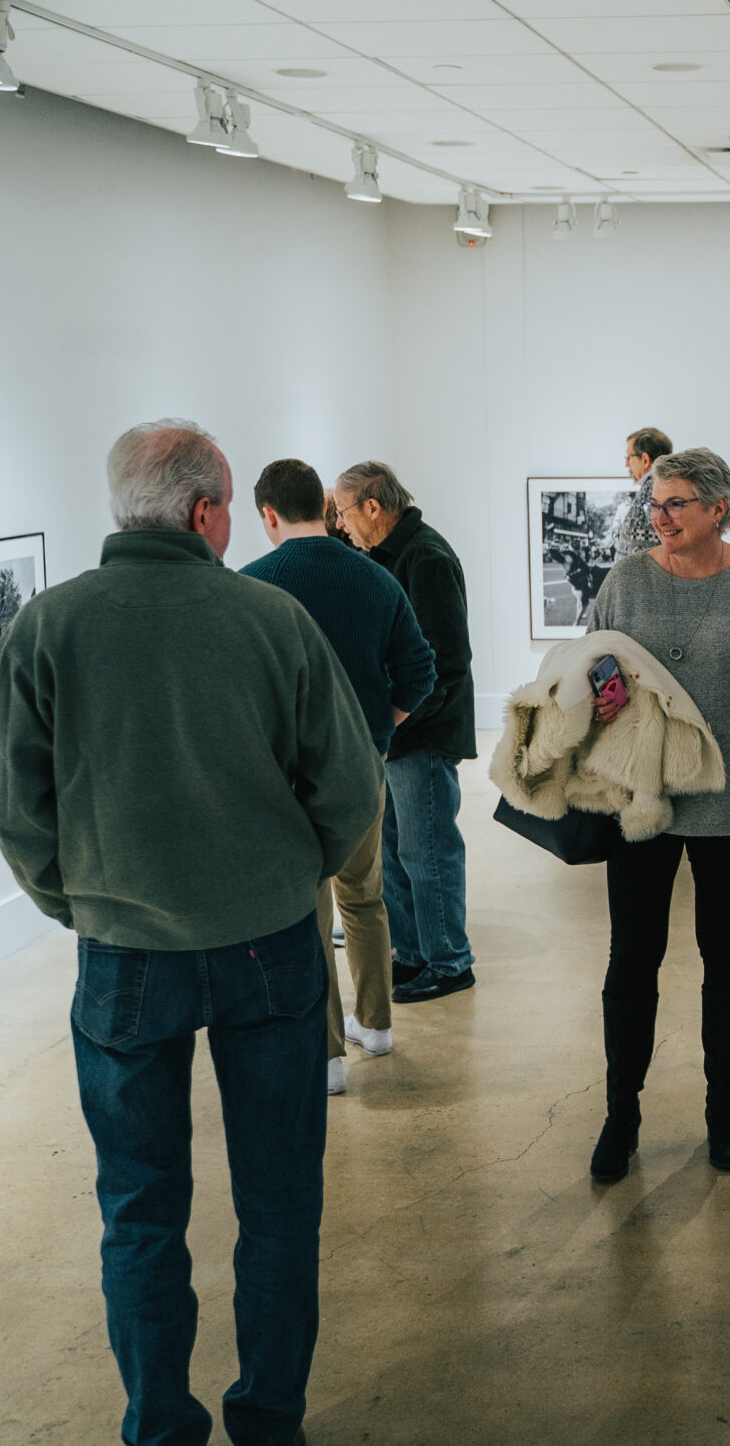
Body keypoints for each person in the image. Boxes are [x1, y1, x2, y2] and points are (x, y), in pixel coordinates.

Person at [0, 420, 383, 1446]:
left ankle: (160, 1426)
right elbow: (349, 788)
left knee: (139, 1212)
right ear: (209, 512)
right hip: (266, 945)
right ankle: (268, 1422)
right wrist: (293, 873)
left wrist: (84, 905)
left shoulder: (47, 627)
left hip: (123, 959)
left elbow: (21, 816)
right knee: (279, 1203)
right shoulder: (271, 619)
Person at [583, 447, 730, 1181]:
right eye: (655, 502)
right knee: (632, 959)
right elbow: (591, 656)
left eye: (677, 502)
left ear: (720, 507)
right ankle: (622, 1115)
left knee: (727, 956)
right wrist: (605, 695)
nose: (660, 514)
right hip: (643, 797)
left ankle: (725, 1110)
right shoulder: (626, 579)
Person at [242, 458, 437, 1093]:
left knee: (307, 912)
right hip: (361, 768)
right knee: (365, 895)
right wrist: (377, 734)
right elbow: (420, 670)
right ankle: (376, 1025)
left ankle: (325, 1057)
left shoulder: (252, 587)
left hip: (287, 779)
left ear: (269, 515)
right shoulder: (375, 580)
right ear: (327, 508)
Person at [335, 462, 478, 1004]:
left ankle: (449, 961)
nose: (343, 525)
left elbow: (445, 661)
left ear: (374, 506)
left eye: (346, 512)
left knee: (429, 851)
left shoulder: (426, 557)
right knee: (393, 851)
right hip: (397, 733)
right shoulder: (390, 555)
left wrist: (400, 720)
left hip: (422, 733)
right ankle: (412, 952)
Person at [615, 426, 671, 558]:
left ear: (645, 460)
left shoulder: (652, 492)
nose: (627, 465)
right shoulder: (666, 487)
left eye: (629, 457)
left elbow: (642, 552)